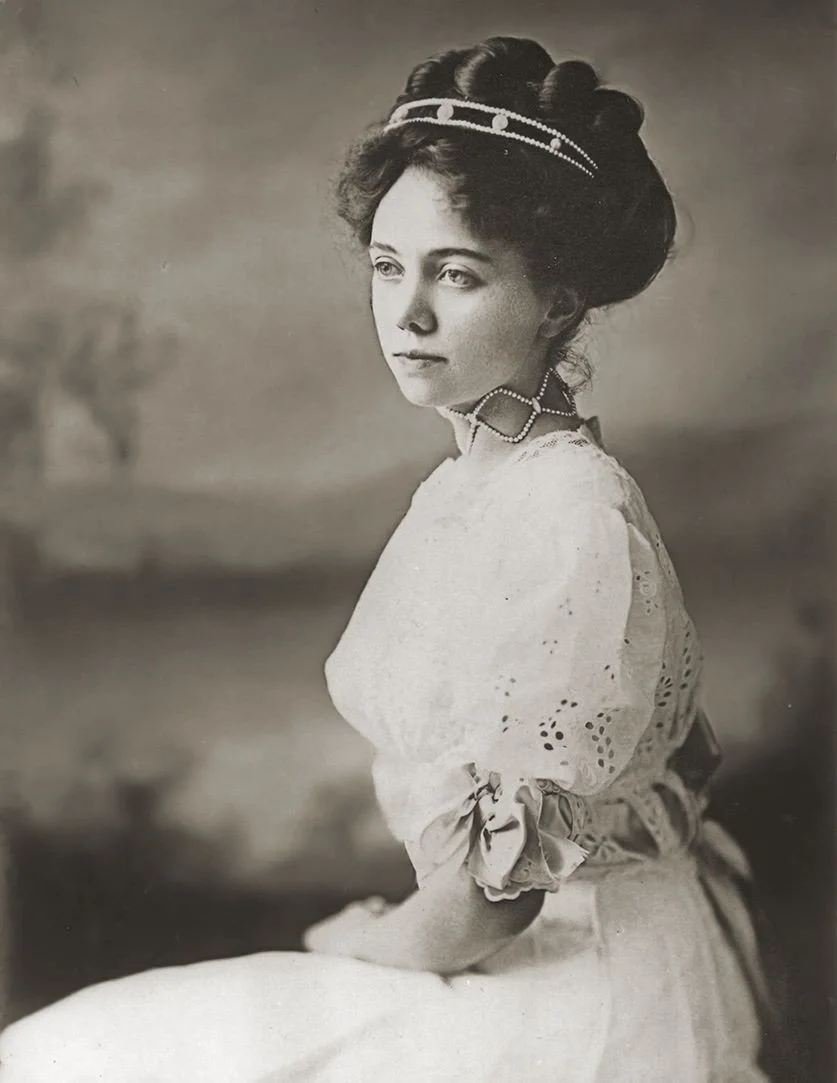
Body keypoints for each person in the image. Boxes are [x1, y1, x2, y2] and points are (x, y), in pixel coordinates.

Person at [0, 35, 771, 1083]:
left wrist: (354, 941)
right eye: (387, 266)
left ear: (557, 300)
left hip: (582, 983)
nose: (405, 315)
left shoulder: (570, 516)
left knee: (72, 1057)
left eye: (456, 275)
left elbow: (495, 902)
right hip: (519, 944)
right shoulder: (485, 484)